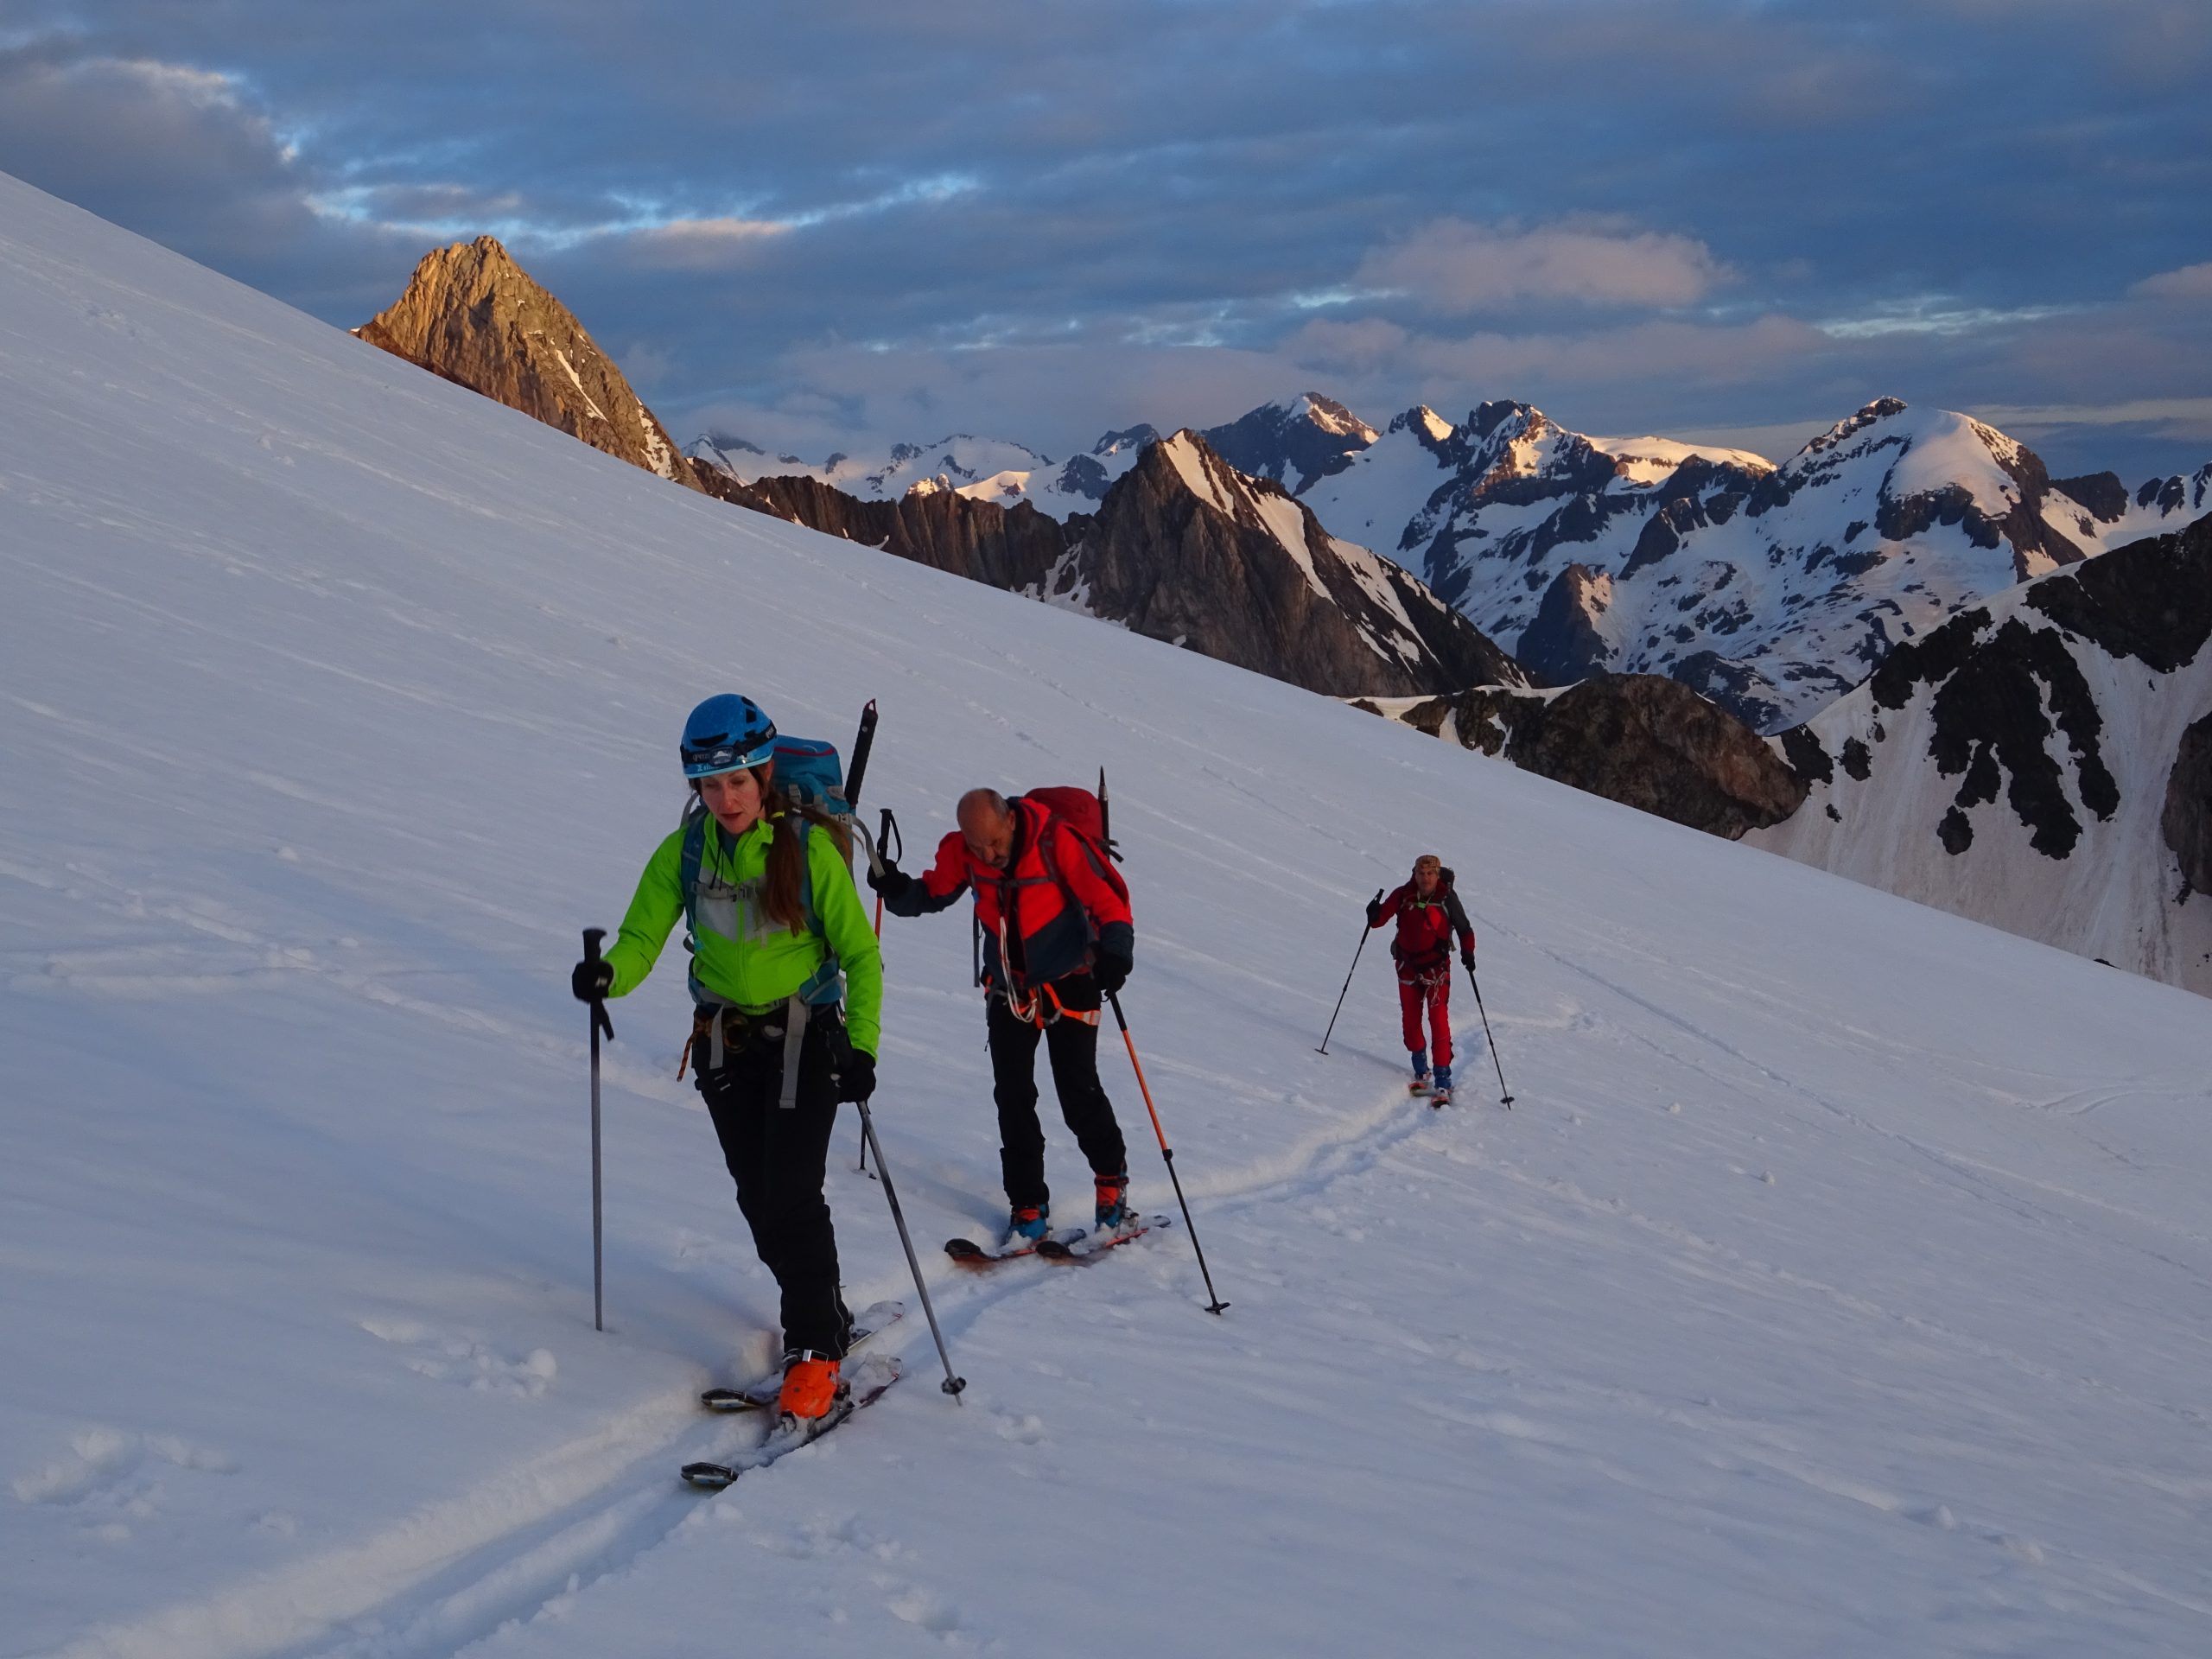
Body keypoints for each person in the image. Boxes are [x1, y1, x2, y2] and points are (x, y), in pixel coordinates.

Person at [570, 694, 881, 1421]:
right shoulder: (685, 850)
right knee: (758, 1198)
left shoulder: (804, 849)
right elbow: (643, 937)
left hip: (807, 1039)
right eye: (710, 785)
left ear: (763, 773)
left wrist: (861, 1047)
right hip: (722, 1043)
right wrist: (607, 974)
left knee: (793, 1195)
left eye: (737, 781)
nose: (725, 798)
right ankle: (824, 1311)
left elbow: (862, 958)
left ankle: (813, 1346)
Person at [868, 787, 1134, 1247]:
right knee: (1013, 1098)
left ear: (1010, 820)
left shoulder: (1056, 843)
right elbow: (931, 894)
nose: (987, 855)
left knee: (1077, 1092)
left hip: (1072, 981)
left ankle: (1112, 1185)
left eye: (993, 843)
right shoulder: (964, 852)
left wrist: (1116, 954)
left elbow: (1108, 901)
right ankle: (1027, 1207)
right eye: (977, 846)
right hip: (1008, 989)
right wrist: (896, 889)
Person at [1368, 855, 1475, 1104]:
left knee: (1438, 1021)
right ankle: (1421, 1069)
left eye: (1430, 874)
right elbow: (1379, 921)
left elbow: (1465, 929)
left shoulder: (1447, 898)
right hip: (1406, 968)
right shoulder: (1403, 894)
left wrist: (1468, 952)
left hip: (1437, 971)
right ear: (1414, 874)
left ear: (1437, 875)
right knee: (1410, 1022)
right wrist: (1373, 913)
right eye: (1420, 873)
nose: (1425, 878)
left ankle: (1443, 1079)